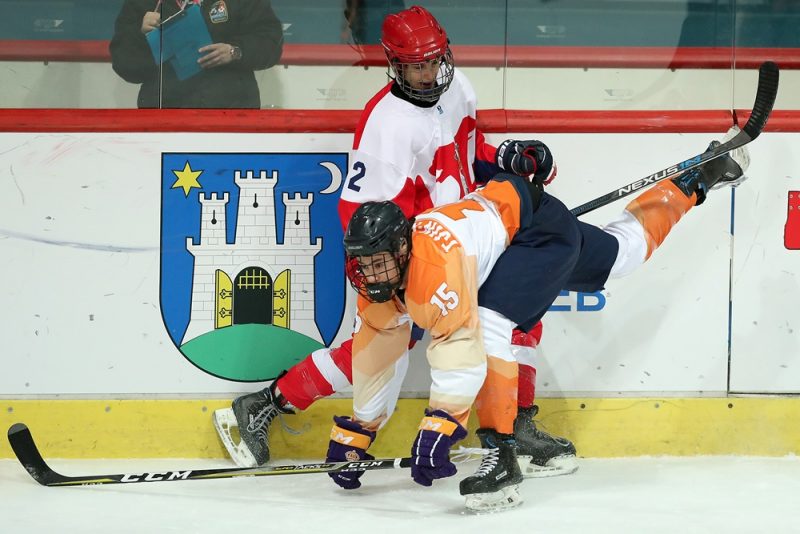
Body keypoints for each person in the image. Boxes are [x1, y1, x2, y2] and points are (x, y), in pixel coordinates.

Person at [213, 5, 577, 479]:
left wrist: (506, 159)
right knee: (378, 350)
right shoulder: (385, 125)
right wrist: (397, 278)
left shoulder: (459, 87)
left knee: (521, 311)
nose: (428, 75)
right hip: (415, 255)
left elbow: (466, 156)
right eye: (415, 66)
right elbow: (364, 217)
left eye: (434, 61)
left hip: (466, 238)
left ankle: (518, 422)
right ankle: (267, 402)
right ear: (393, 63)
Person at [332, 135, 750, 512]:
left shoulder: (433, 266)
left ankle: (503, 455)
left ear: (403, 248)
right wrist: (356, 433)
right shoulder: (376, 283)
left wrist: (441, 426)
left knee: (490, 321)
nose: (372, 274)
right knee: (622, 254)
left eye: (380, 262)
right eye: (364, 264)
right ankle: (695, 180)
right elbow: (378, 354)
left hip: (536, 230)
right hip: (515, 221)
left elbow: (459, 350)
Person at [109, 0, 283, 108]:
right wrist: (140, 35)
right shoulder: (144, 3)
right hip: (164, 118)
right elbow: (125, 66)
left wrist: (234, 51)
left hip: (231, 115)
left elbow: (270, 43)